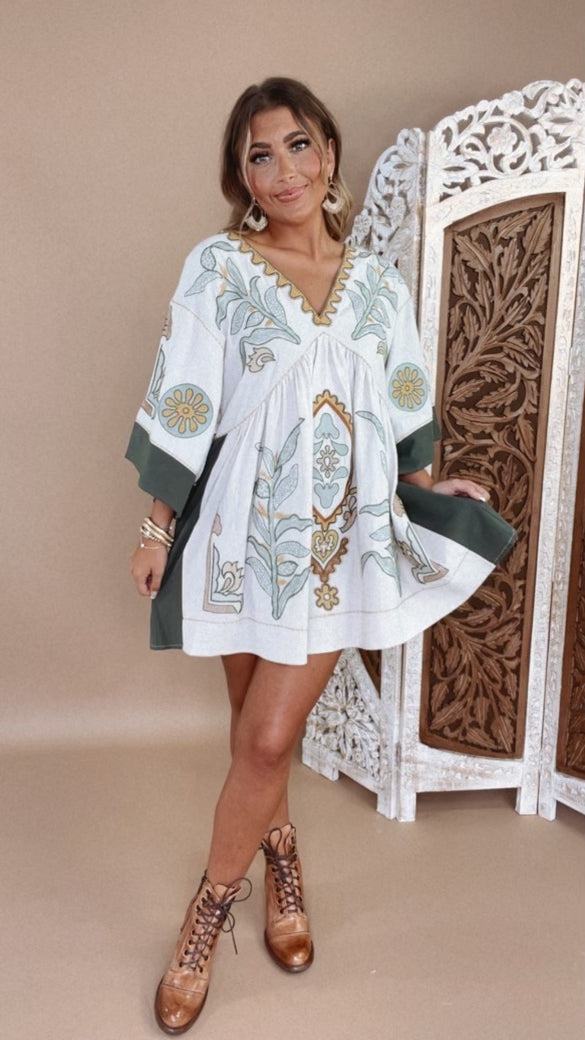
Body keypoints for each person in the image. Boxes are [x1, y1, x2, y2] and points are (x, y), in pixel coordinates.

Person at [126, 77, 515, 1035]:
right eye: (260, 154)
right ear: (243, 175)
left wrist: (426, 488)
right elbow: (185, 397)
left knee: (267, 739)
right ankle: (281, 853)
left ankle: (205, 915)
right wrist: (156, 526)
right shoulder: (219, 267)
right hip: (235, 536)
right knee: (249, 735)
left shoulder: (375, 283)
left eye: (297, 144)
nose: (284, 169)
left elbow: (402, 397)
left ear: (329, 152)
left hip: (339, 544)